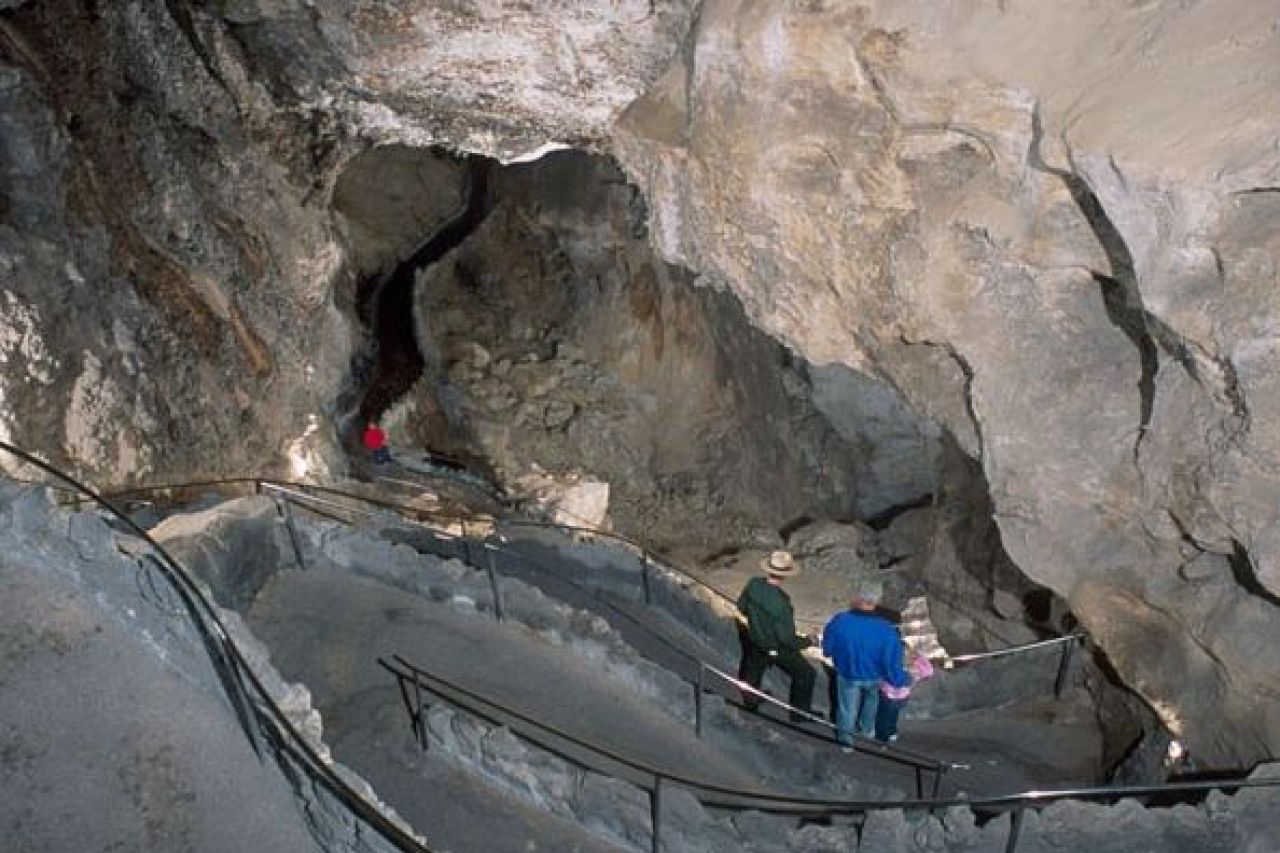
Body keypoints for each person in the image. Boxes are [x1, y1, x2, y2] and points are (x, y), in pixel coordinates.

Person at [822, 578, 909, 748]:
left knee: (847, 708)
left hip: (847, 673)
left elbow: (828, 649)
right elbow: (892, 661)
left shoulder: (840, 621)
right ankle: (868, 730)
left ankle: (846, 743)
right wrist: (902, 679)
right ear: (876, 600)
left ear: (858, 598)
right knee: (872, 701)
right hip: (875, 676)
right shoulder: (886, 629)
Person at [736, 551, 817, 722]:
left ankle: (751, 703)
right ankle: (799, 714)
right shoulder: (782, 604)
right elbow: (786, 639)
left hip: (755, 640)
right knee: (807, 674)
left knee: (753, 670)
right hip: (776, 648)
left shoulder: (754, 584)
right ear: (785, 575)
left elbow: (741, 607)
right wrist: (809, 640)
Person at [874, 651, 934, 742]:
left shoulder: (891, 661)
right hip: (902, 695)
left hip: (887, 692)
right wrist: (921, 657)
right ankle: (891, 732)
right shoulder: (916, 664)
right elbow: (929, 672)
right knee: (894, 714)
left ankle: (882, 736)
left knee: (883, 715)